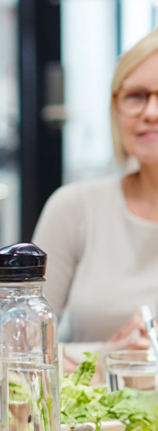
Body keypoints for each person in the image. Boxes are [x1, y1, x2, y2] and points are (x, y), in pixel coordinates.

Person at [33, 29, 158, 348]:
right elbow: (21, 349)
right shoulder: (73, 208)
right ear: (116, 107)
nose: (151, 113)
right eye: (136, 96)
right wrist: (108, 359)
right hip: (96, 396)